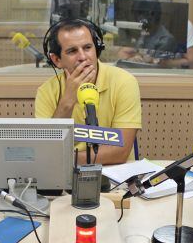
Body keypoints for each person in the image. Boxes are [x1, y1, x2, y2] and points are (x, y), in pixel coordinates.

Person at [35, 18, 142, 165]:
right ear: (57, 60)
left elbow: (120, 152)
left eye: (87, 47)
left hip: (115, 177)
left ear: (97, 48)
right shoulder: (46, 92)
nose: (83, 57)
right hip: (69, 177)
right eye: (72, 51)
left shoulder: (124, 82)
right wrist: (67, 101)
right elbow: (47, 149)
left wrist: (65, 158)